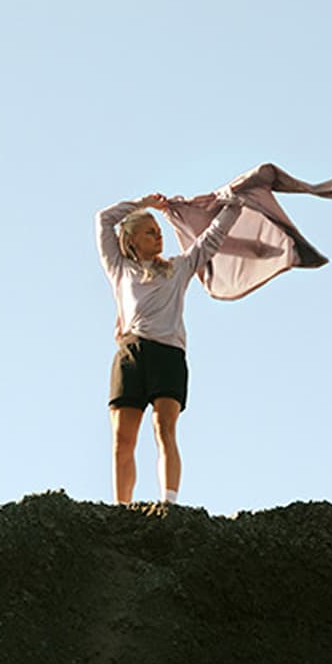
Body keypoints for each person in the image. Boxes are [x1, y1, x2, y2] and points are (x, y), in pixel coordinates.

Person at [95, 189, 244, 508]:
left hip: (168, 355)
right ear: (132, 240)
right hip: (131, 356)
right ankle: (122, 508)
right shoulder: (120, 269)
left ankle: (169, 503)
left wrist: (237, 202)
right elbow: (104, 220)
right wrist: (144, 204)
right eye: (150, 233)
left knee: (164, 428)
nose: (158, 237)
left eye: (160, 232)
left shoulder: (178, 267)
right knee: (123, 440)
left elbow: (212, 237)